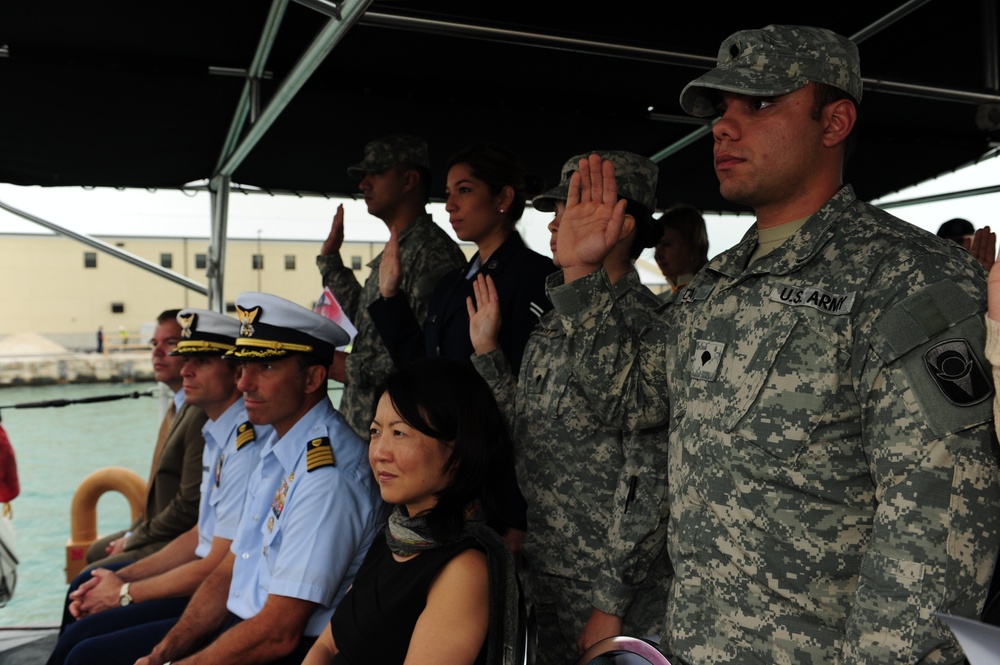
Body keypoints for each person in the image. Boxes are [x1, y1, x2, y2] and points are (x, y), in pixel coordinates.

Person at [551, 24, 1000, 664]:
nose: (724, 128)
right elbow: (631, 403)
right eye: (721, 111)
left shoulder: (905, 277)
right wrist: (581, 277)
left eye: (759, 104)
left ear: (835, 120)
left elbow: (938, 526)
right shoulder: (715, 285)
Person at [468, 150, 671, 665]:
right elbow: (527, 431)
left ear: (622, 223)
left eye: (571, 207)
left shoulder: (651, 326)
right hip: (547, 563)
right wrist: (490, 355)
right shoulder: (554, 322)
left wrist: (611, 599)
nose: (555, 223)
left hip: (611, 584)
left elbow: (652, 477)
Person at [134, 292, 386, 665]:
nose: (244, 383)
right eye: (244, 366)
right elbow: (229, 569)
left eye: (265, 368)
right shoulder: (277, 449)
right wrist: (164, 653)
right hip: (242, 627)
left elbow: (279, 633)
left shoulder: (327, 477)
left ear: (314, 377)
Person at [48, 308, 266, 665]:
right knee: (84, 621)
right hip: (211, 582)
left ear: (236, 372)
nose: (185, 370)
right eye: (187, 358)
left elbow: (213, 560)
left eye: (202, 361)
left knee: (86, 647)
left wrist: (123, 590)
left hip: (224, 597)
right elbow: (201, 534)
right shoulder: (219, 434)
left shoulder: (245, 443)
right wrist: (121, 577)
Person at [301, 356, 520, 665]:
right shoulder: (395, 535)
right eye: (376, 432)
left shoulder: (463, 569)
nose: (379, 453)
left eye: (399, 433)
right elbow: (327, 646)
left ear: (458, 448)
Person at [317, 133, 467, 440]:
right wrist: (330, 261)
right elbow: (367, 319)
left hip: (400, 433)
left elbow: (429, 351)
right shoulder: (402, 245)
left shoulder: (432, 252)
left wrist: (354, 368)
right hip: (369, 429)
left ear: (409, 179)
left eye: (376, 173)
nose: (364, 184)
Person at [369, 143, 555, 376]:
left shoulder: (536, 277)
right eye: (448, 194)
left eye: (464, 190)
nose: (449, 206)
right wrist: (390, 296)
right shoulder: (450, 284)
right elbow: (424, 368)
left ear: (503, 199)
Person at [85, 309, 207, 569]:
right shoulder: (177, 407)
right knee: (96, 552)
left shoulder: (200, 414)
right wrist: (133, 533)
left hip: (178, 537)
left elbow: (188, 506)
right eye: (154, 344)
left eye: (171, 343)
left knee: (93, 571)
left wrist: (133, 539)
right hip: (158, 528)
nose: (157, 352)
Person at [653, 203, 708, 295]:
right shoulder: (662, 300)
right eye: (655, 246)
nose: (657, 255)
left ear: (693, 248)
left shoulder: (712, 295)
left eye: (666, 244)